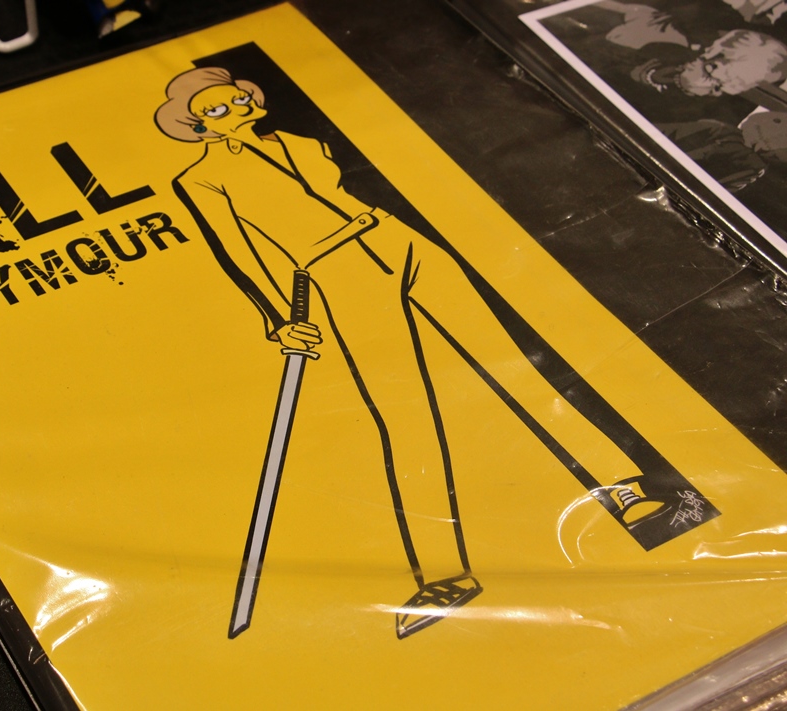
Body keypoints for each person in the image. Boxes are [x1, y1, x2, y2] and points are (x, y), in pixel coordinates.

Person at [155, 66, 663, 639]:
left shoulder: (303, 143)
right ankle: (443, 576)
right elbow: (236, 251)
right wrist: (278, 318)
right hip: (335, 272)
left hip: (396, 238)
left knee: (511, 366)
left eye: (239, 99)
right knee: (403, 412)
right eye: (217, 110)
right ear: (197, 126)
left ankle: (622, 489)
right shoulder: (203, 178)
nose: (237, 111)